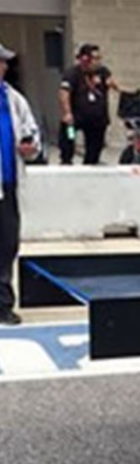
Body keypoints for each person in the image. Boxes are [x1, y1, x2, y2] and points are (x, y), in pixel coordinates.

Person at [0, 42, 41, 325]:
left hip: (8, 185)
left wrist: (31, 147)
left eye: (4, 62)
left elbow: (32, 133)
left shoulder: (14, 99)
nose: (3, 67)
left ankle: (3, 305)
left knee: (6, 246)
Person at [59, 43, 121, 166]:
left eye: (99, 58)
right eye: (95, 58)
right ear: (85, 59)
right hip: (76, 117)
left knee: (95, 147)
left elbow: (111, 83)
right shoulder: (72, 74)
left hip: (97, 119)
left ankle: (90, 163)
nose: (98, 62)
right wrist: (67, 112)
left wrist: (116, 87)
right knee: (68, 134)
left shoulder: (103, 72)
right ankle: (67, 160)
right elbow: (63, 93)